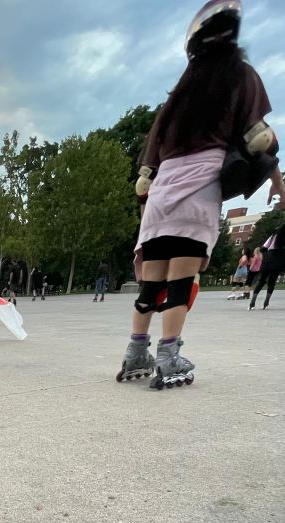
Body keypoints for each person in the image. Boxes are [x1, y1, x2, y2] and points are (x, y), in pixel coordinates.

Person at [116, 0, 284, 389]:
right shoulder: (239, 76)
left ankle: (135, 351)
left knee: (151, 282)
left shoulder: (180, 93)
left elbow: (149, 158)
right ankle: (169, 355)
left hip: (162, 193)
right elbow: (258, 136)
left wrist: (148, 184)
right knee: (180, 279)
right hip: (199, 188)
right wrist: (276, 176)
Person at [249, 223, 285, 309]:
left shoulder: (272, 237)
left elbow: (264, 248)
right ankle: (266, 301)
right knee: (272, 281)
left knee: (262, 280)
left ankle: (253, 300)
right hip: (279, 259)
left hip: (269, 257)